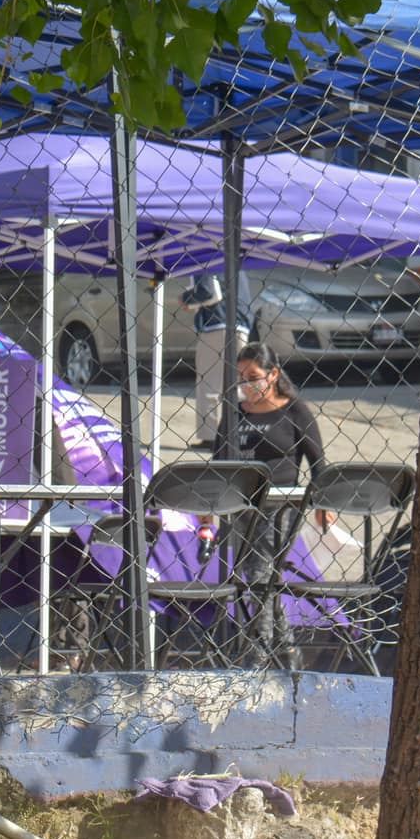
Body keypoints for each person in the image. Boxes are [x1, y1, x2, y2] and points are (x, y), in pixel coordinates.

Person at [214, 341, 334, 654]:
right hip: (240, 507)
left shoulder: (294, 410)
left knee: (260, 576)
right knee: (260, 580)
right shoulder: (233, 413)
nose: (247, 384)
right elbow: (216, 460)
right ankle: (288, 654)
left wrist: (323, 504)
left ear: (273, 374)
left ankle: (259, 654)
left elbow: (318, 462)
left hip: (280, 508)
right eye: (241, 377)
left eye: (253, 376)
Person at [180, 266, 253, 450]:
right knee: (236, 382)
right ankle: (243, 432)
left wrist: (186, 299)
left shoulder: (202, 255)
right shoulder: (234, 255)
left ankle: (210, 436)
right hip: (241, 323)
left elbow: (208, 292)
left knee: (208, 382)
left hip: (216, 324)